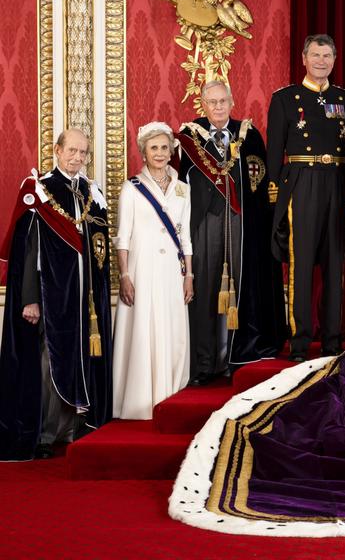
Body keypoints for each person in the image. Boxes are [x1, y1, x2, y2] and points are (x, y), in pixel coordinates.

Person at [0, 129, 113, 460]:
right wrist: (30, 298)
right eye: (72, 151)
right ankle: (47, 435)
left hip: (85, 301)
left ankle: (76, 428)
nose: (78, 158)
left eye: (84, 152)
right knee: (52, 362)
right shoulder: (39, 191)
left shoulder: (90, 192)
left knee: (81, 358)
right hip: (52, 299)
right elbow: (29, 251)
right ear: (57, 150)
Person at [176, 80, 283, 385]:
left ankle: (238, 356)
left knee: (241, 286)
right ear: (203, 105)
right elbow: (182, 187)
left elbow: (259, 185)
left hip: (241, 223)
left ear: (232, 102)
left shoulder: (248, 136)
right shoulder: (190, 136)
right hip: (205, 224)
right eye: (212, 102)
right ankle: (205, 362)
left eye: (223, 101)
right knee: (208, 289)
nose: (219, 107)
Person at [266, 34, 345, 361]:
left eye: (327, 56)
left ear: (334, 60)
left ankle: (333, 341)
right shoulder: (285, 99)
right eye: (316, 55)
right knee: (301, 266)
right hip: (301, 183)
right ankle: (300, 342)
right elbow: (274, 153)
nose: (321, 61)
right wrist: (277, 196)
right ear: (304, 59)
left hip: (337, 181)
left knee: (335, 266)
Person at [112, 122, 194, 420]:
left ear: (172, 150)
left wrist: (189, 275)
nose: (160, 153)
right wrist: (124, 275)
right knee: (144, 329)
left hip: (172, 272)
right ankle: (139, 402)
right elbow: (123, 236)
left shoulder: (183, 189)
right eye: (154, 148)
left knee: (171, 329)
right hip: (142, 269)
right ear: (144, 153)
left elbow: (185, 237)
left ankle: (170, 397)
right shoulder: (131, 188)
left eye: (164, 147)